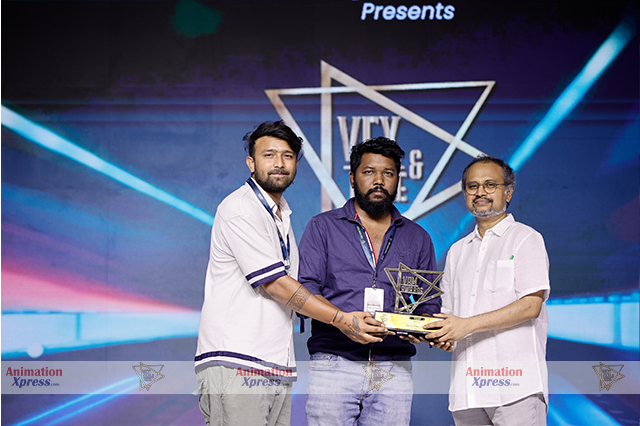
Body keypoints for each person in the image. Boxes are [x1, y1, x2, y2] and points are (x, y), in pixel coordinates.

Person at [194, 121, 386, 426]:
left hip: (274, 363)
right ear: (251, 163)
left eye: (287, 156)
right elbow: (276, 285)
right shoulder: (241, 209)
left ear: (296, 163)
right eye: (269, 155)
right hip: (237, 360)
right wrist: (342, 319)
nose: (279, 164)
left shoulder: (280, 213)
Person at [298, 136, 441, 426]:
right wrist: (342, 320)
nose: (378, 180)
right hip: (334, 361)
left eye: (388, 173)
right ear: (353, 178)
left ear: (398, 179)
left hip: (393, 368)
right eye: (368, 172)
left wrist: (421, 327)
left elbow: (427, 303)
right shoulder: (323, 227)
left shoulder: (418, 237)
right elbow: (305, 292)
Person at [428, 155, 550, 426]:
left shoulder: (526, 238)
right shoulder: (457, 251)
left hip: (515, 388)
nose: (480, 192)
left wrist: (465, 325)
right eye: (472, 186)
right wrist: (437, 334)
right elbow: (448, 314)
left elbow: (531, 305)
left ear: (508, 192)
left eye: (490, 185)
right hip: (466, 392)